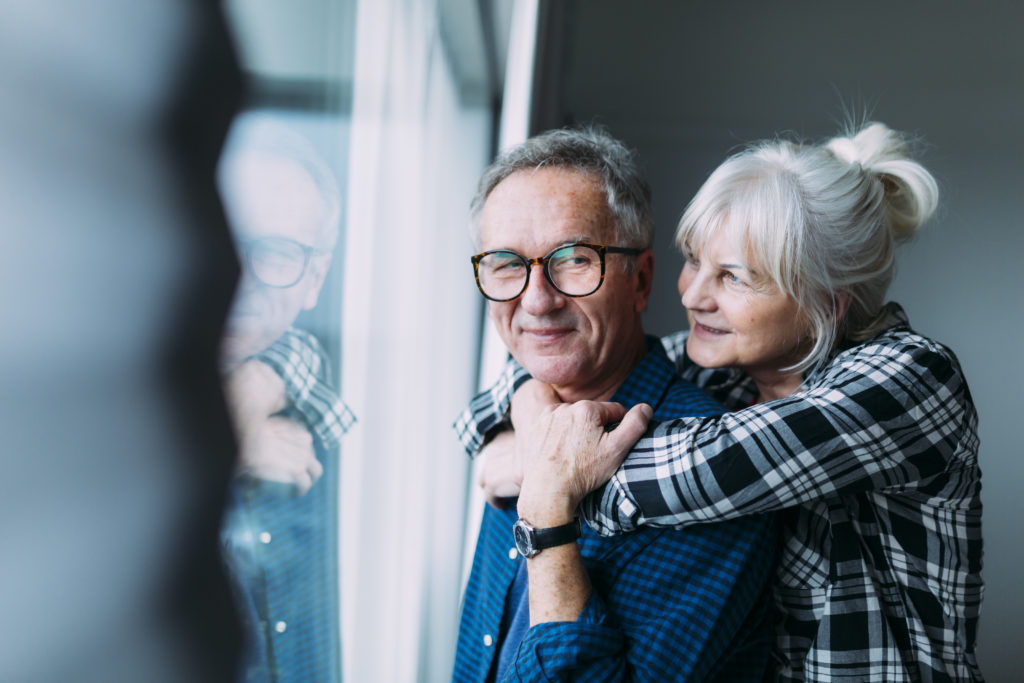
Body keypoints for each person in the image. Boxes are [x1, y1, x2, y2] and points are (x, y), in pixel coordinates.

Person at [457, 122, 985, 681]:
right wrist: (526, 420)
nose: (691, 294)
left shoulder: (911, 377)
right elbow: (512, 389)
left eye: (734, 277)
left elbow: (714, 469)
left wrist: (545, 476)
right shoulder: (725, 374)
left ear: (824, 304)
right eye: (694, 260)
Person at [453, 128, 778, 682]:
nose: (536, 301)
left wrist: (547, 510)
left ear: (641, 280)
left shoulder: (713, 474)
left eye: (574, 259)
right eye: (506, 264)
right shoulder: (521, 416)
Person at [217, 116, 355, 682]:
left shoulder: (328, 412)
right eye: (231, 239)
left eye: (274, 254)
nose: (242, 275)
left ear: (314, 278)